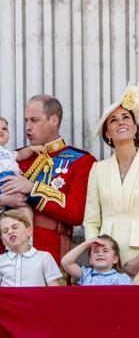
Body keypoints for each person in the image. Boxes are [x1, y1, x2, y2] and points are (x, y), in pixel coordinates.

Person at [83, 82, 139, 285]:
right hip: (106, 259)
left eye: (125, 117)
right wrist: (99, 256)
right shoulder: (98, 169)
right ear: (107, 133)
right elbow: (91, 220)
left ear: (135, 126)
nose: (120, 122)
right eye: (113, 120)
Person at [0, 95, 96, 266]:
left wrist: (33, 189)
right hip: (6, 255)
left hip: (50, 254)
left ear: (53, 120)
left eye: (34, 120)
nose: (28, 127)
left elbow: (76, 213)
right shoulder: (12, 159)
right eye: (26, 120)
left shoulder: (81, 161)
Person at [0, 117, 46, 231]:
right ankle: (7, 241)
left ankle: (28, 236)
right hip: (1, 184)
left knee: (26, 208)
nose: (1, 131)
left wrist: (31, 148)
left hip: (13, 183)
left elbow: (20, 155)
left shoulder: (8, 152)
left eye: (4, 129)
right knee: (4, 218)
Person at [0, 209, 62, 286]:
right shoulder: (1, 260)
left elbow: (54, 290)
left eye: (15, 227)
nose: (10, 232)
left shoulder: (44, 257)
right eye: (5, 231)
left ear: (28, 231)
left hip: (37, 298)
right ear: (3, 241)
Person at [61, 235, 132, 286]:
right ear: (90, 260)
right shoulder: (85, 274)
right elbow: (65, 262)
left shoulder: (122, 278)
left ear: (115, 259)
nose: (100, 254)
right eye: (95, 251)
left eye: (105, 251)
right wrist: (86, 244)